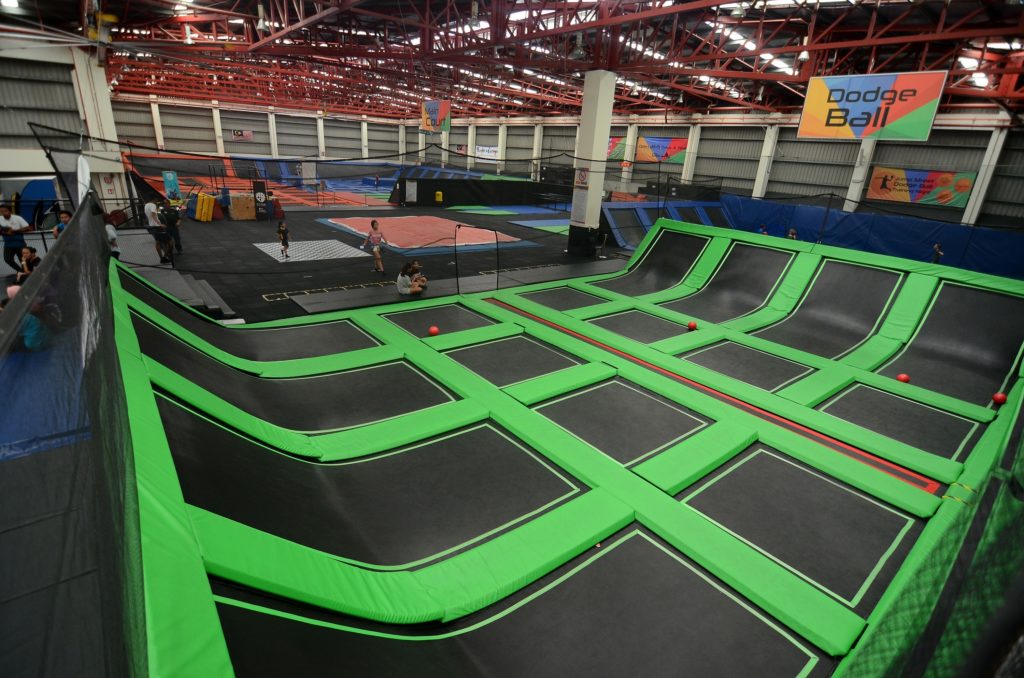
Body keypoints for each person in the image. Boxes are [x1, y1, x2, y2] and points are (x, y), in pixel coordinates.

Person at [0, 203, 31, 274]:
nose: (3, 213)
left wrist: (14, 231)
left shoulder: (17, 218)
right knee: (8, 259)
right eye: (1, 211)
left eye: (5, 211)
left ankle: (26, 272)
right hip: (8, 244)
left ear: (10, 211)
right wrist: (5, 232)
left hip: (19, 243)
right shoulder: (0, 219)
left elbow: (28, 228)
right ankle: (20, 271)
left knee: (23, 260)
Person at [144, 198, 172, 263]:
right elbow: (153, 214)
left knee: (158, 242)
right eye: (156, 200)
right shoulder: (153, 205)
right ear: (154, 199)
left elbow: (149, 216)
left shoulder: (146, 205)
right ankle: (164, 257)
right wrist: (160, 224)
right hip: (157, 226)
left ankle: (162, 258)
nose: (157, 201)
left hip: (152, 226)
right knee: (170, 242)